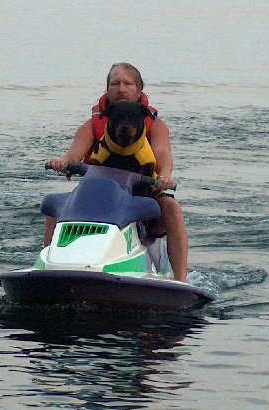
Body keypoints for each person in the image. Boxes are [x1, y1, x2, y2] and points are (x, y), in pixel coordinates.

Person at [46, 63, 188, 282]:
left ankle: (180, 280)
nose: (121, 89)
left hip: (143, 197)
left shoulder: (155, 125)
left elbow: (162, 153)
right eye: (115, 84)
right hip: (100, 196)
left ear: (139, 90)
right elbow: (73, 155)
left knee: (172, 208)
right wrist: (62, 162)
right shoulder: (93, 125)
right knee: (57, 207)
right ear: (107, 90)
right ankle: (49, 267)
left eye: (127, 83)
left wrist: (165, 176)